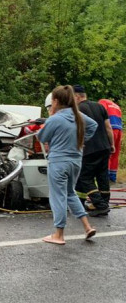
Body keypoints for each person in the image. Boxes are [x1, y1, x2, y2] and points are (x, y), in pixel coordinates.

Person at [37, 85, 98, 245]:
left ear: (55, 101)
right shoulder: (77, 115)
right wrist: (82, 141)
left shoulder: (55, 118)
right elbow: (94, 126)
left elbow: (42, 137)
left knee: (58, 196)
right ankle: (87, 226)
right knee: (70, 193)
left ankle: (59, 234)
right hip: (75, 161)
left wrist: (50, 116)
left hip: (59, 162)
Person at [73, 85, 114, 216]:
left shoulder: (77, 110)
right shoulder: (100, 106)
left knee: (85, 177)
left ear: (77, 96)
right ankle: (101, 203)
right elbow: (108, 128)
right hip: (104, 147)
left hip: (89, 149)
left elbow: (76, 130)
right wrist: (111, 144)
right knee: (102, 176)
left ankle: (100, 205)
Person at [99, 98, 122, 182]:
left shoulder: (102, 102)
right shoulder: (116, 106)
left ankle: (106, 177)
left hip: (111, 128)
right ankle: (113, 177)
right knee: (115, 154)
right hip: (119, 129)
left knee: (107, 153)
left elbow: (101, 113)